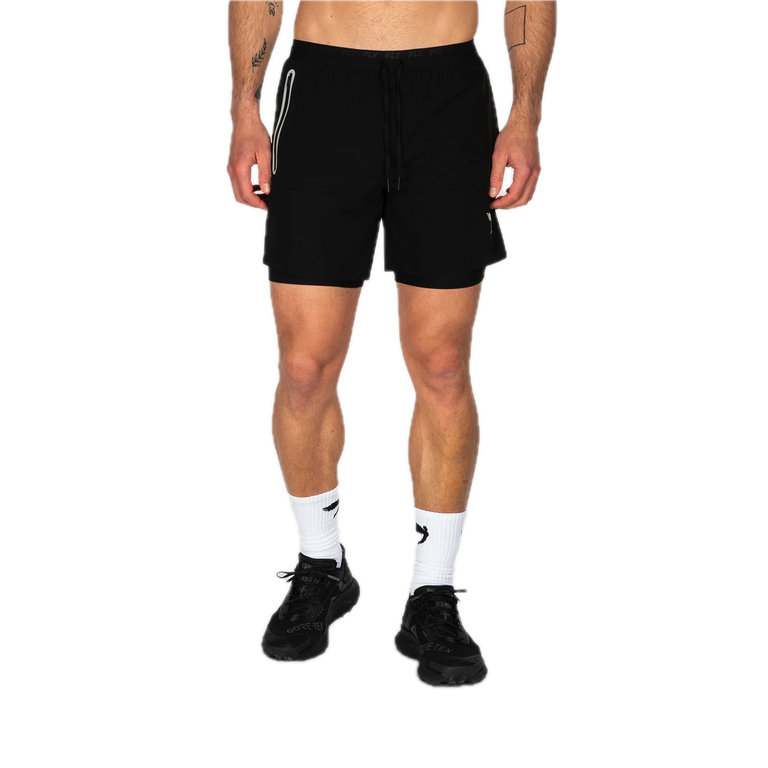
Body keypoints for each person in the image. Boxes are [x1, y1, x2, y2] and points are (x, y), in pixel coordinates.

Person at [227, 0, 558, 690]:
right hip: (322, 90)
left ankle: (433, 592)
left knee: (443, 366)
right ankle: (321, 565)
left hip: (448, 92)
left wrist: (526, 114)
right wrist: (245, 108)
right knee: (304, 367)